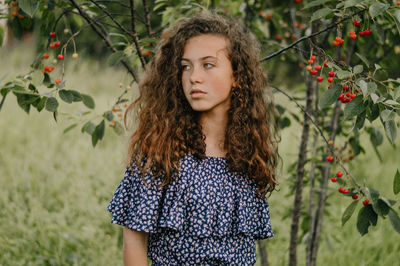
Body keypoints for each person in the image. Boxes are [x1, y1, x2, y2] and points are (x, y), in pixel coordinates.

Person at [107, 10, 280, 266]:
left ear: (237, 76)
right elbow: (134, 242)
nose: (193, 77)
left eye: (208, 65)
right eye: (186, 67)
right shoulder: (160, 149)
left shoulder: (249, 152)